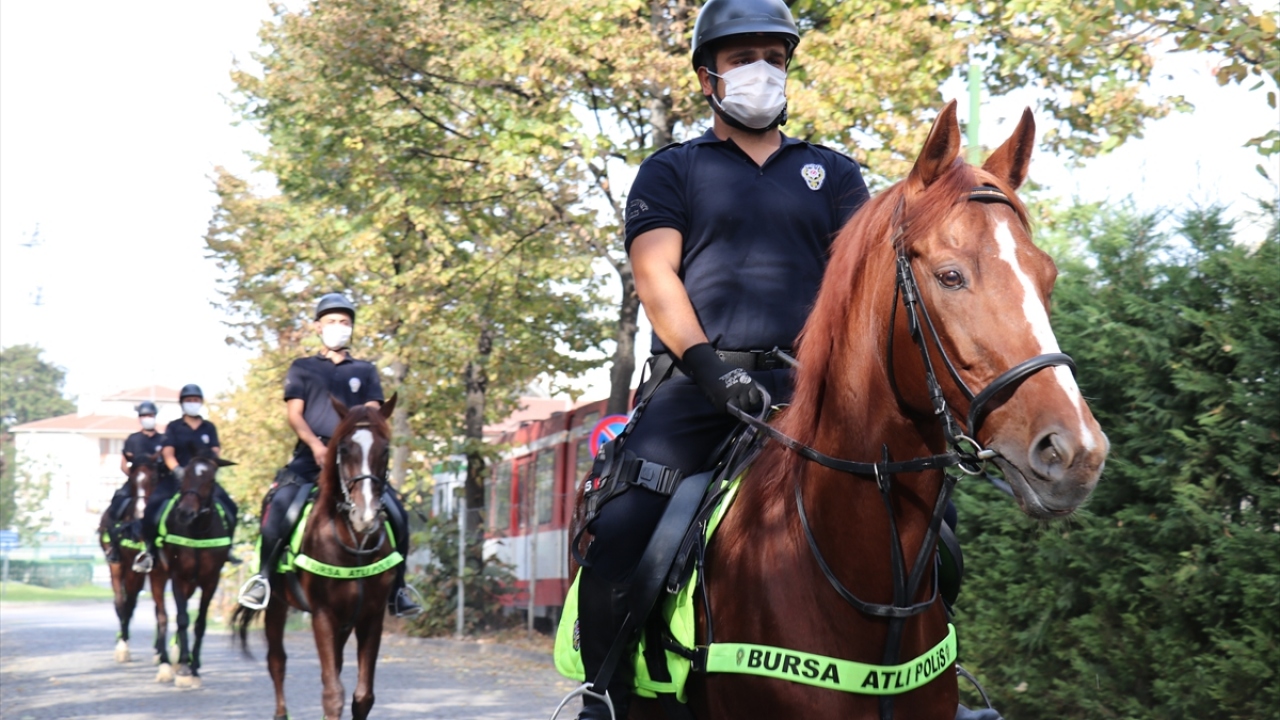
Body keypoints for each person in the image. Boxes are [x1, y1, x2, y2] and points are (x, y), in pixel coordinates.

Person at [572, 1, 869, 717]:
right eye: (743, 59)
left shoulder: (834, 173)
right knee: (621, 525)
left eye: (775, 56)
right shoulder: (672, 171)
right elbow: (656, 277)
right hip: (699, 387)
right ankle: (605, 698)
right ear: (709, 77)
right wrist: (710, 367)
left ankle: (928, 678)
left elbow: (858, 287)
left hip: (810, 388)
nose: (762, 71)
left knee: (923, 513)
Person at [236, 293, 422, 618]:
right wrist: (318, 447)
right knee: (280, 507)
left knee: (397, 513)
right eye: (332, 321)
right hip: (313, 456)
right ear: (318, 328)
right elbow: (295, 415)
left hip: (355, 460)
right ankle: (263, 578)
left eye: (345, 322)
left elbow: (373, 415)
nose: (338, 327)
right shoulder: (303, 368)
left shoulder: (365, 370)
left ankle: (398, 589)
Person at [131, 384, 238, 574]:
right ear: (182, 403)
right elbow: (168, 453)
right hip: (178, 479)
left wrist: (209, 469)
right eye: (189, 400)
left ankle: (228, 548)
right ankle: (150, 551)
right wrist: (178, 471)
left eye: (195, 400)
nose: (192, 404)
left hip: (203, 480)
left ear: (201, 403)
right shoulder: (173, 427)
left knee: (230, 506)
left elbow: (215, 452)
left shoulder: (209, 428)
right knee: (153, 507)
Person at [103, 401, 166, 564]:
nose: (147, 418)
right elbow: (124, 463)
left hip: (158, 483)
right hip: (136, 482)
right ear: (139, 418)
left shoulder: (164, 439)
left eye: (150, 416)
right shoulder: (133, 439)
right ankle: (114, 547)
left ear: (155, 417)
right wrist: (135, 478)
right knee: (117, 502)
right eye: (144, 416)